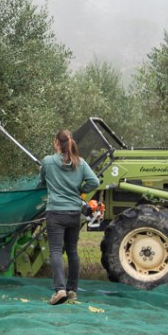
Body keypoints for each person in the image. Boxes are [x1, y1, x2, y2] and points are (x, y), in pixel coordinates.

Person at [40, 129, 100, 305]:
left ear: (56, 143)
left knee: (56, 251)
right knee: (72, 251)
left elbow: (41, 181)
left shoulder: (48, 162)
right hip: (74, 212)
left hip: (55, 212)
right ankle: (72, 290)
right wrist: (80, 190)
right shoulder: (80, 163)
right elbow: (94, 182)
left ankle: (59, 290)